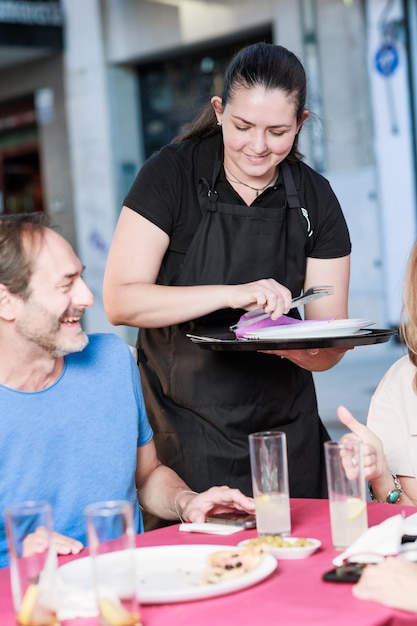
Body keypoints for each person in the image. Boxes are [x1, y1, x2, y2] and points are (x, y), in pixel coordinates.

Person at [103, 42, 352, 527]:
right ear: (219, 112)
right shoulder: (170, 175)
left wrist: (287, 342)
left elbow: (328, 344)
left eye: (278, 131)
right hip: (184, 436)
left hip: (287, 440)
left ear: (300, 122)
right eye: (242, 127)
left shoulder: (315, 199)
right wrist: (232, 294)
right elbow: (120, 300)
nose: (258, 146)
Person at [0, 212, 255, 569]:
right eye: (66, 285)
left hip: (129, 587)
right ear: (6, 302)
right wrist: (21, 555)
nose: (88, 297)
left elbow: (147, 475)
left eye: (82, 278)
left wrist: (186, 502)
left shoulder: (111, 361)